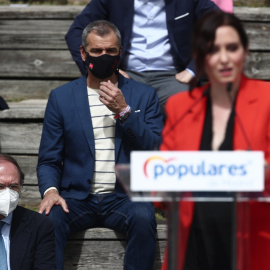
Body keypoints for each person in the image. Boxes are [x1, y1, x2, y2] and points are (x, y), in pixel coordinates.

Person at [37, 20, 163, 270]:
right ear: (83, 53)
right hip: (75, 198)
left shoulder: (143, 95)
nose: (104, 57)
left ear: (120, 52)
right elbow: (49, 158)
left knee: (144, 216)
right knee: (49, 218)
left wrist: (125, 112)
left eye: (111, 51)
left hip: (124, 197)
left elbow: (156, 150)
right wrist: (51, 191)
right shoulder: (61, 98)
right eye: (96, 51)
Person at [160, 10, 270, 270]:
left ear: (245, 51)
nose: (223, 59)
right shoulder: (179, 107)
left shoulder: (267, 100)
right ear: (200, 56)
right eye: (213, 50)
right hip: (191, 245)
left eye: (231, 48)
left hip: (251, 241)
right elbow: (162, 186)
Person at [65, 0, 219, 116]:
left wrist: (194, 69)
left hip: (174, 77)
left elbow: (221, 26)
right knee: (104, 103)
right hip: (126, 76)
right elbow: (76, 32)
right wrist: (102, 70)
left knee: (189, 105)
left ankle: (174, 159)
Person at [0, 153, 56, 270]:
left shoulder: (39, 225)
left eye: (13, 187)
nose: (7, 193)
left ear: (21, 186)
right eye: (0, 186)